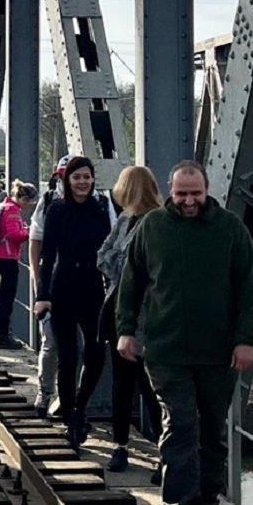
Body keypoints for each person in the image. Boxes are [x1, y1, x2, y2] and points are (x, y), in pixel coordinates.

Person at [116, 159, 253, 505]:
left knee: (212, 431)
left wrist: (246, 340)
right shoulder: (153, 227)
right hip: (166, 350)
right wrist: (126, 331)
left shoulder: (230, 228)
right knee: (179, 426)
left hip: (219, 352)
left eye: (195, 194)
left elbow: (249, 287)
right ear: (170, 190)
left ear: (207, 189)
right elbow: (130, 282)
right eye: (181, 194)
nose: (188, 201)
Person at [29, 156, 117, 418]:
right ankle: (68, 412)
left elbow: (111, 250)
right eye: (76, 177)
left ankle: (79, 403)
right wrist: (42, 295)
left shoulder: (101, 207)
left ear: (93, 179)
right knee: (67, 355)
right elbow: (47, 255)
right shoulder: (56, 210)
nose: (82, 182)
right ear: (67, 180)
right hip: (62, 288)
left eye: (87, 177)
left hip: (92, 288)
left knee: (96, 352)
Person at [98, 166, 164, 475]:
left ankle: (164, 454)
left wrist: (123, 270)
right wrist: (125, 271)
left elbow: (126, 263)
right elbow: (105, 257)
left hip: (148, 316)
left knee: (151, 387)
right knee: (124, 384)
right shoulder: (126, 219)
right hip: (120, 314)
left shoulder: (157, 222)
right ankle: (121, 446)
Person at [0, 180, 37, 350]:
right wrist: (29, 232)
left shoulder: (7, 206)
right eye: (30, 202)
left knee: (3, 296)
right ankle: (3, 336)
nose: (30, 206)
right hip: (8, 256)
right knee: (7, 298)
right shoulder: (12, 210)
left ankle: (2, 333)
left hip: (1, 256)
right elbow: (13, 234)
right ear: (24, 198)